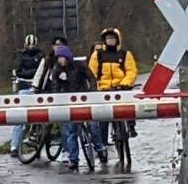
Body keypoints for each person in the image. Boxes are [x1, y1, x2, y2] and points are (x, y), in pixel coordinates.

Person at [86, 27, 142, 167]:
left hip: (120, 87)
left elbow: (131, 70)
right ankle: (103, 144)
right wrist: (95, 86)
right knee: (103, 117)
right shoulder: (98, 55)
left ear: (117, 40)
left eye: (113, 38)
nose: (110, 40)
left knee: (128, 107)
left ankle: (131, 126)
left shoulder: (125, 54)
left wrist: (125, 83)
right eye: (108, 38)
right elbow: (91, 72)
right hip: (103, 89)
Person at [38, 44, 94, 169]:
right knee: (70, 132)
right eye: (58, 58)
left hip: (83, 98)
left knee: (94, 126)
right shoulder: (56, 70)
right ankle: (73, 159)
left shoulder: (79, 66)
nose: (60, 60)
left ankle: (100, 148)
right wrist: (57, 99)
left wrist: (92, 92)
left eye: (62, 57)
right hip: (68, 102)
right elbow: (55, 86)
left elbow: (91, 78)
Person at [7, 34, 45, 147]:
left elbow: (42, 70)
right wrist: (33, 72)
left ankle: (35, 136)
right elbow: (18, 72)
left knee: (38, 115)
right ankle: (14, 145)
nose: (31, 47)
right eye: (29, 45)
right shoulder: (21, 56)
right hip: (24, 88)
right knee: (20, 117)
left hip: (37, 88)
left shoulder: (41, 55)